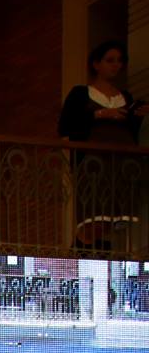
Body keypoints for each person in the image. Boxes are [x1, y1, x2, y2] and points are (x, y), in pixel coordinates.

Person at [59, 40, 147, 248]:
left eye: (119, 61)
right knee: (93, 213)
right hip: (94, 161)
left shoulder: (125, 96)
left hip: (122, 160)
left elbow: (131, 130)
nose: (115, 65)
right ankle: (83, 249)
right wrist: (99, 114)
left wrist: (137, 115)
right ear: (96, 64)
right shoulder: (81, 93)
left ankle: (104, 250)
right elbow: (66, 125)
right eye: (110, 60)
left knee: (114, 215)